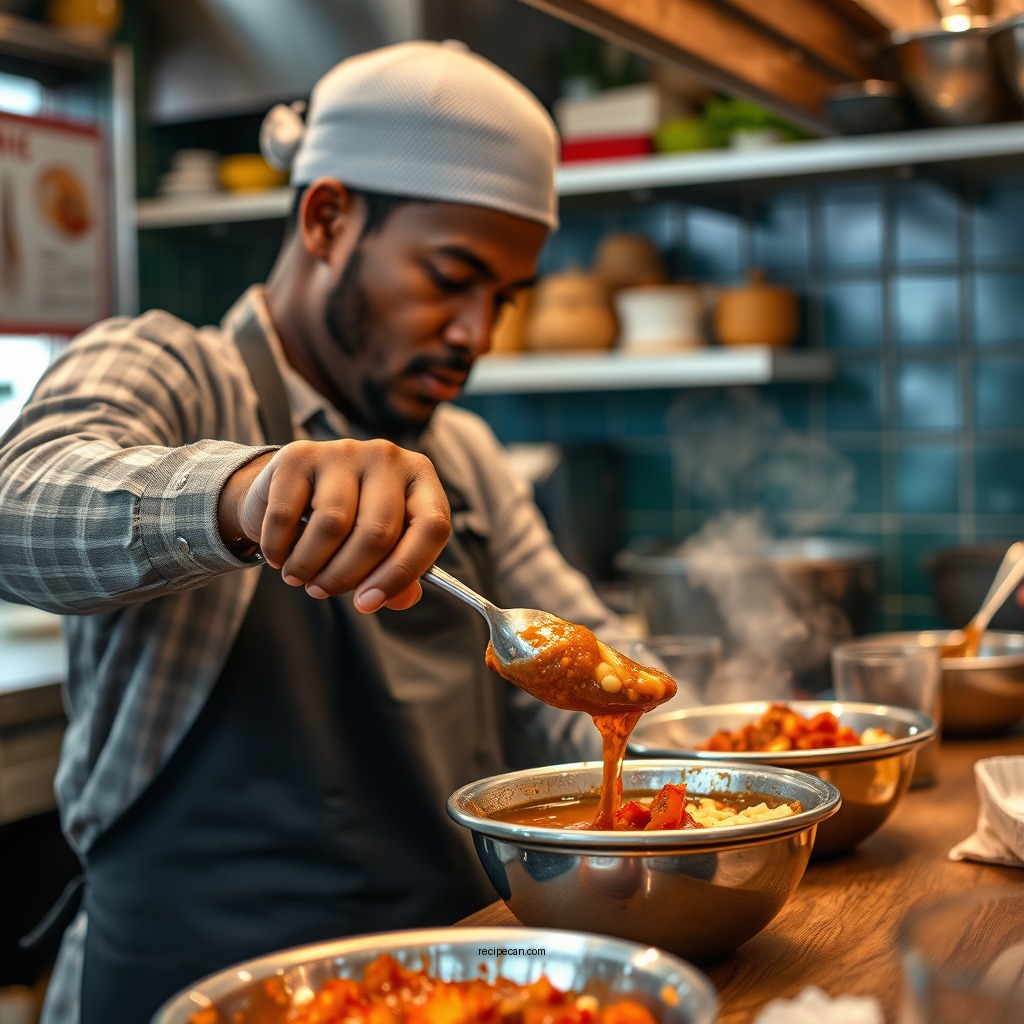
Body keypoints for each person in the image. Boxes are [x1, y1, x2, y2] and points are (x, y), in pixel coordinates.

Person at [0, 40, 657, 1024]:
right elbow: (18, 509)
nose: (477, 333)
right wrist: (244, 488)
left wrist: (705, 777)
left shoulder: (467, 458)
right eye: (451, 276)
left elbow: (583, 673)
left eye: (504, 299)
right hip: (180, 993)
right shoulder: (175, 371)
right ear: (327, 218)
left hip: (447, 990)